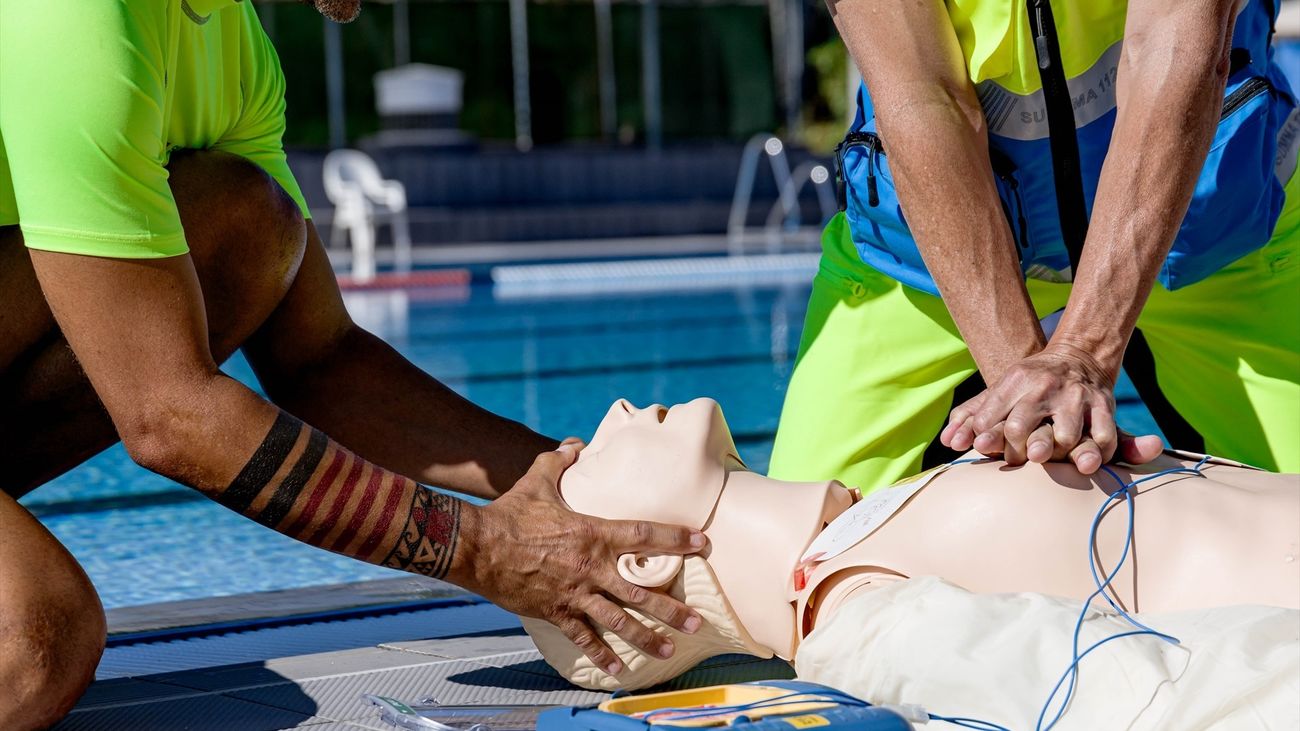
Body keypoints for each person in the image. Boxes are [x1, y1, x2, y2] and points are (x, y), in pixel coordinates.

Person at [0, 1, 704, 727]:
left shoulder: (227, 40)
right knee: (30, 643)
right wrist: (486, 549)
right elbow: (169, 416)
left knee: (250, 220)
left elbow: (321, 359)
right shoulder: (77, 17)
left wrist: (593, 493)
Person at [770, 0, 1300, 493]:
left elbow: (1175, 49)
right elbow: (921, 97)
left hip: (1216, 238)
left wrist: (1082, 354)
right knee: (792, 552)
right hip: (935, 258)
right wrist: (1029, 409)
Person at [524, 398, 1300, 728]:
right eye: (581, 466)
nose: (609, 416)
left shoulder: (861, 543)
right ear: (642, 564)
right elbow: (1146, 700)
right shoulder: (867, 626)